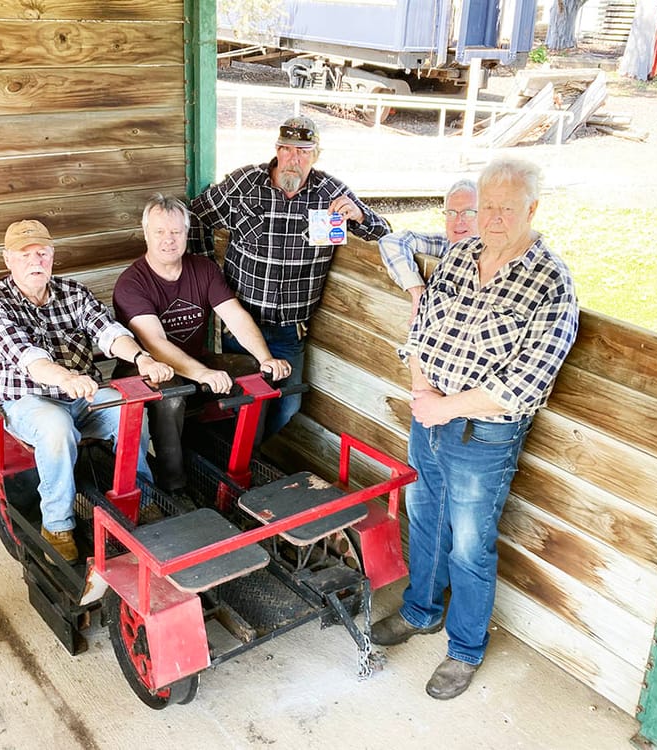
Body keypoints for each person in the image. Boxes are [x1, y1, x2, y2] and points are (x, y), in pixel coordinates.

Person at [371, 158, 579, 700]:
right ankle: (420, 611)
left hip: (482, 435)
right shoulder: (461, 256)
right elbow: (423, 326)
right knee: (423, 519)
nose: (491, 218)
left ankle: (463, 649)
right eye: (486, 206)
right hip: (429, 414)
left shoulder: (551, 282)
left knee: (470, 545)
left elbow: (528, 381)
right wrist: (421, 390)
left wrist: (447, 406)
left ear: (531, 210)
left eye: (506, 208)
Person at [0, 219, 174, 563]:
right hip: (27, 398)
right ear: (7, 259)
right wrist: (65, 378)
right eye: (24, 255)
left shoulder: (74, 292)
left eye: (42, 253)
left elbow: (108, 332)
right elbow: (27, 356)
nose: (35, 261)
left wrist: (141, 357)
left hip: (82, 395)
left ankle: (140, 499)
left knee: (130, 410)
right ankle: (57, 524)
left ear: (52, 256)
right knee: (56, 429)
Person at [189, 115, 392, 437]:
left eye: (303, 151)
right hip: (242, 324)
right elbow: (196, 214)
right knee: (241, 404)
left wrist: (360, 215)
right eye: (287, 149)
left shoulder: (331, 193)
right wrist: (206, 274)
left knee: (286, 406)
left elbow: (384, 233)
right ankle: (233, 465)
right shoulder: (244, 184)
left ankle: (250, 457)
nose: (293, 159)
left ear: (316, 155)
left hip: (290, 331)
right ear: (277, 149)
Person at [113, 194, 291, 492]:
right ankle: (174, 484)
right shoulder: (132, 283)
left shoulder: (204, 269)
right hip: (146, 372)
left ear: (186, 233)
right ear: (146, 234)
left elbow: (234, 315)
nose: (168, 240)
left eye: (176, 232)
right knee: (171, 396)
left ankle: (236, 464)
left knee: (252, 376)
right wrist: (203, 374)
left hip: (195, 362)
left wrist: (265, 358)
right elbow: (155, 343)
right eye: (159, 232)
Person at [378, 179, 478, 320]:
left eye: (468, 213)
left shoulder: (498, 256)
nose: (458, 221)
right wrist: (417, 290)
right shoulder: (445, 243)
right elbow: (391, 242)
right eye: (451, 213)